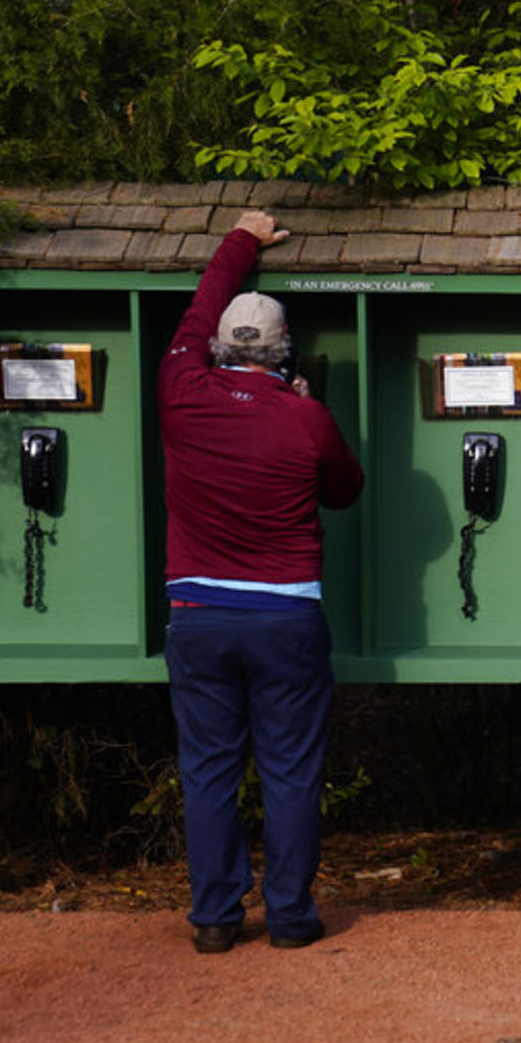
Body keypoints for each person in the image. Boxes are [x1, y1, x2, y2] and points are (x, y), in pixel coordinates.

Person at [159, 210, 365, 954]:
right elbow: (346, 489)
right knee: (289, 770)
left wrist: (241, 238)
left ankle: (214, 919)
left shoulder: (181, 384)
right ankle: (289, 916)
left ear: (216, 349)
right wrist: (307, 405)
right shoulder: (306, 419)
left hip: (198, 612)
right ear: (285, 354)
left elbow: (198, 306)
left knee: (209, 771)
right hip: (285, 617)